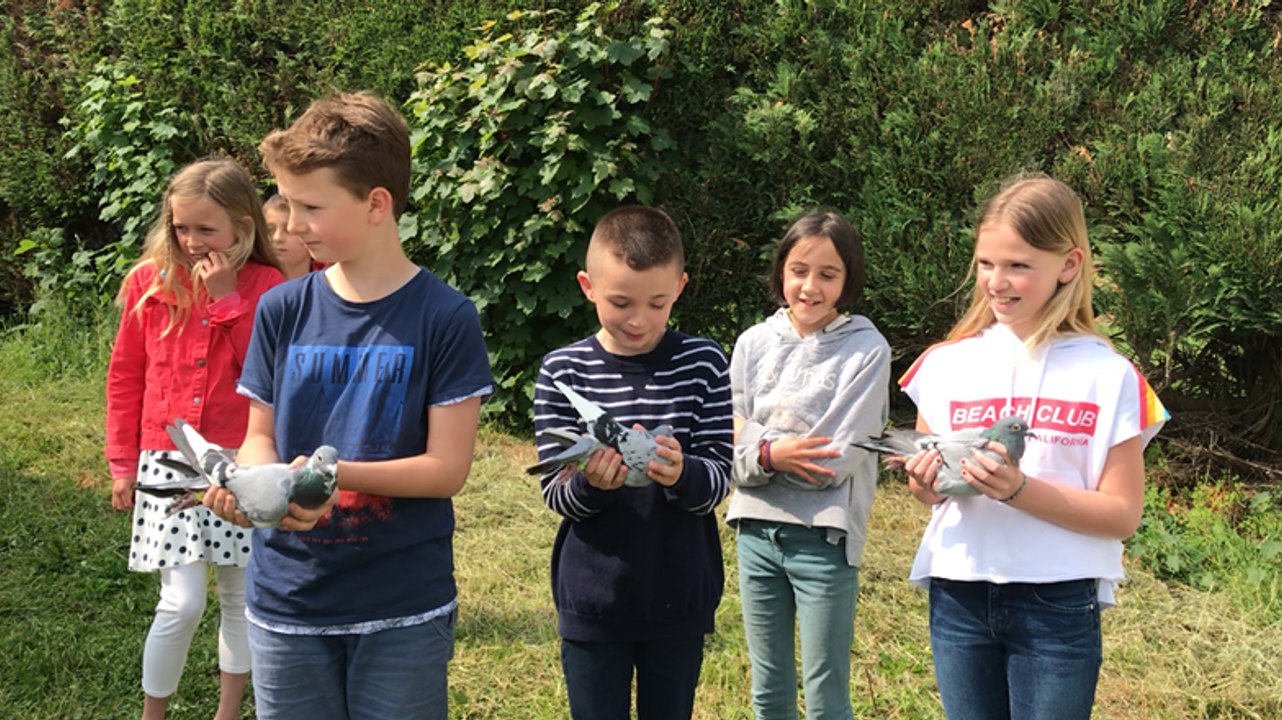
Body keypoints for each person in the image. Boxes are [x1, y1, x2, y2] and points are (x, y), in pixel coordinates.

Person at [203, 92, 493, 720]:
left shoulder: (445, 317)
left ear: (376, 205)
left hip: (401, 609)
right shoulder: (283, 307)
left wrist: (328, 477)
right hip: (287, 603)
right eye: (286, 202)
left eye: (310, 206)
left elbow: (447, 468)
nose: (291, 224)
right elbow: (259, 434)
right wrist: (257, 484)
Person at [898, 174, 1169, 720]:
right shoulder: (944, 363)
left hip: (1057, 602)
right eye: (985, 264)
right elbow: (928, 494)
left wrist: (1019, 490)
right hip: (958, 592)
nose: (997, 282)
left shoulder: (1110, 375)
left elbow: (1121, 514)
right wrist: (923, 483)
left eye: (1018, 265)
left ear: (1068, 265)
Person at [533, 205, 733, 720]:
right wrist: (593, 484)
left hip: (680, 591)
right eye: (620, 302)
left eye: (658, 302)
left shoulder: (705, 362)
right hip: (593, 595)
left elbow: (718, 479)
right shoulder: (562, 371)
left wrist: (679, 470)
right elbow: (555, 491)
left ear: (681, 288)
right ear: (587, 286)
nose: (639, 319)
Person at [105, 157, 285, 720]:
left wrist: (228, 297)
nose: (190, 240)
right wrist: (120, 462)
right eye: (181, 226)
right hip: (167, 456)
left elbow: (266, 374)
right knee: (180, 601)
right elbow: (126, 373)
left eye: (205, 228)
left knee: (239, 596)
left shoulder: (270, 286)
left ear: (243, 224)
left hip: (241, 457)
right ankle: (152, 714)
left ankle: (227, 713)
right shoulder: (148, 281)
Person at [727, 211, 890, 720]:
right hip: (753, 531)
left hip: (823, 540)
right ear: (781, 271)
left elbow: (834, 461)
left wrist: (754, 442)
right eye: (799, 270)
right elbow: (721, 440)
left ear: (849, 279)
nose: (810, 286)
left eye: (828, 274)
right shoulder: (753, 343)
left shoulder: (867, 350)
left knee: (825, 695)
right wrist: (774, 453)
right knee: (768, 689)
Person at [263, 193, 322, 279]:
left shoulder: (332, 282)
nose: (277, 238)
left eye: (288, 230)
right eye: (270, 230)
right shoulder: (247, 283)